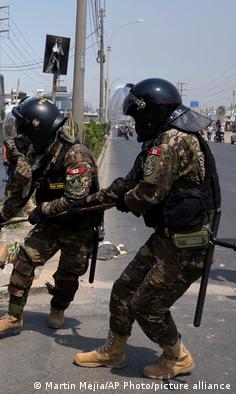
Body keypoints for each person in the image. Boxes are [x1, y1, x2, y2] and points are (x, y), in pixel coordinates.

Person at [71, 78, 219, 380]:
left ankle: (177, 356)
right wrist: (85, 203)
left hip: (187, 246)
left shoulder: (171, 142)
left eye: (137, 116)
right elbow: (127, 185)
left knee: (147, 305)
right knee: (123, 289)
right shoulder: (162, 139)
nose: (136, 122)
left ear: (151, 112)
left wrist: (125, 201)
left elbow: (147, 194)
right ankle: (114, 351)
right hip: (168, 239)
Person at [0, 98, 102, 334]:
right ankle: (14, 316)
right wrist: (0, 219)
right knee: (24, 260)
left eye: (23, 128)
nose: (19, 133)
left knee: (67, 277)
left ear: (39, 127)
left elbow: (74, 199)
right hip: (51, 224)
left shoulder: (75, 156)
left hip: (79, 227)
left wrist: (42, 210)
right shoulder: (36, 154)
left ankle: (58, 308)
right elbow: (20, 193)